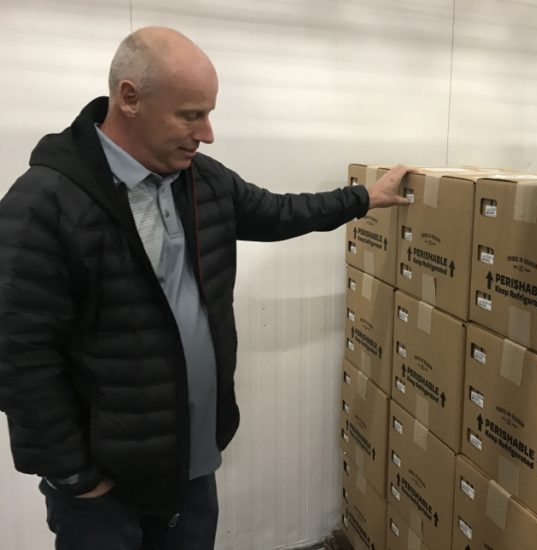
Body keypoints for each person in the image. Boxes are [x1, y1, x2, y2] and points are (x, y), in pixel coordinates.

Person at [0, 26, 408, 550]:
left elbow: (279, 212)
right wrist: (76, 477)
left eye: (208, 113)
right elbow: (17, 354)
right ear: (130, 99)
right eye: (191, 115)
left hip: (192, 461)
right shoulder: (47, 202)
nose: (207, 132)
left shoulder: (202, 181)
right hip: (104, 486)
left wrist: (362, 198)